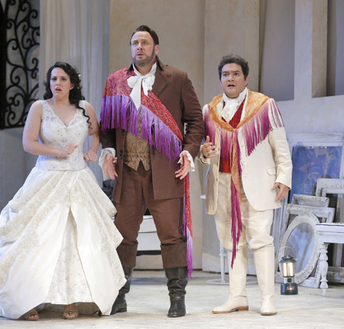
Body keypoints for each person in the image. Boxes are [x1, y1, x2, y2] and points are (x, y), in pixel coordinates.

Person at [0, 62, 126, 321]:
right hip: (47, 177)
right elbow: (29, 144)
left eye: (62, 79)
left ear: (72, 83)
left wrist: (93, 150)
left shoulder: (86, 108)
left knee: (75, 238)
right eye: (53, 79)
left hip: (78, 178)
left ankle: (71, 298)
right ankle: (27, 299)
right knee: (38, 238)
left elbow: (96, 134)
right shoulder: (40, 107)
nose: (57, 83)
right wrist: (57, 152)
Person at [99, 25, 204, 317]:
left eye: (145, 42)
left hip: (165, 170)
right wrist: (107, 152)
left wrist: (189, 151)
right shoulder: (116, 81)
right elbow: (107, 127)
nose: (139, 47)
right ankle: (119, 296)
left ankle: (177, 297)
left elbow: (196, 122)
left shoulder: (177, 79)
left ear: (156, 48)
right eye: (134, 43)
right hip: (127, 171)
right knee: (123, 235)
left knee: (172, 235)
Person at [199, 54, 292, 316]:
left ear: (246, 78)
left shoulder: (264, 105)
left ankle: (267, 298)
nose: (230, 78)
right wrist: (204, 153)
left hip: (259, 183)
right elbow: (202, 152)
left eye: (236, 74)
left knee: (261, 240)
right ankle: (237, 296)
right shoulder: (210, 110)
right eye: (226, 74)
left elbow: (280, 144)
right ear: (220, 80)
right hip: (223, 184)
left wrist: (284, 176)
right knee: (232, 243)